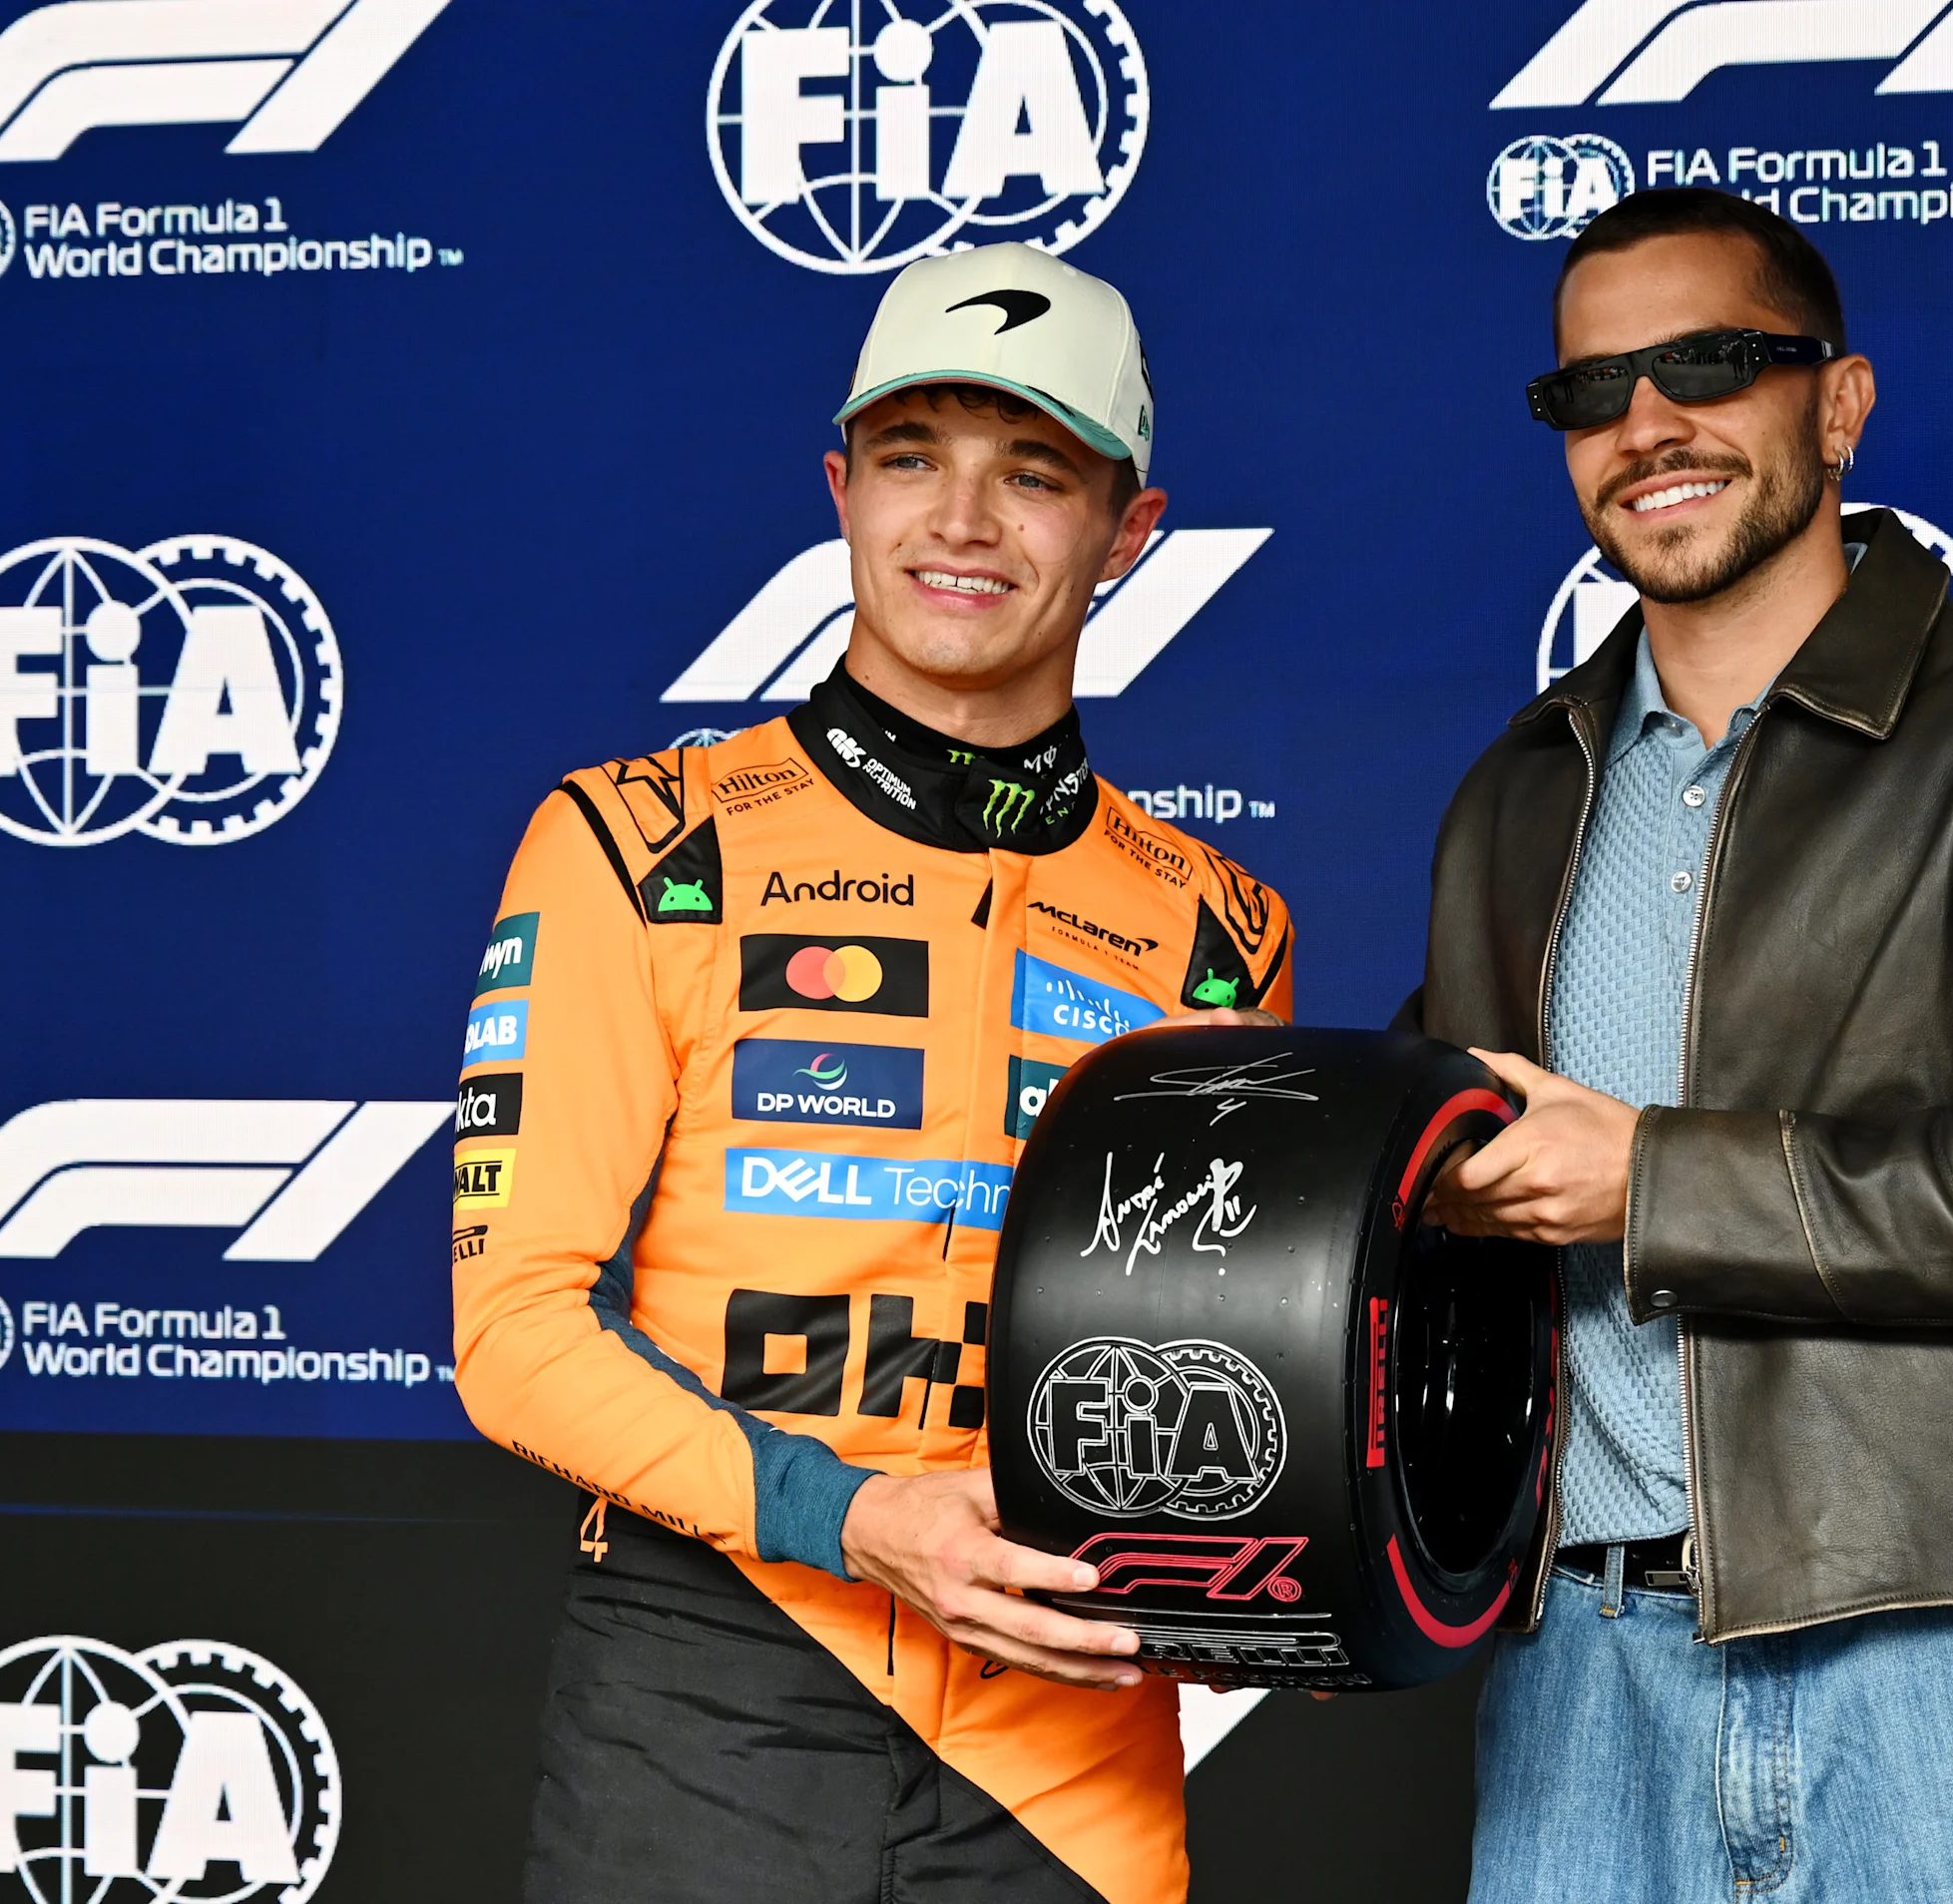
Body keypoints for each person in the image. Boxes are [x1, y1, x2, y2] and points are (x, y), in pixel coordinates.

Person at [1411, 188, 1953, 1902]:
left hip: (1947, 1651)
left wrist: (1653, 1178)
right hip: (1579, 1669)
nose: (1649, 427)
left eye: (1713, 363)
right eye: (1593, 391)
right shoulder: (1519, 789)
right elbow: (1443, 1176)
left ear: (1839, 403)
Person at [453, 242, 1294, 1904]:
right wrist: (850, 1515)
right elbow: (515, 1337)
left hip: (1068, 1742)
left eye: (1033, 472)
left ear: (1130, 532)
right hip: (713, 1685)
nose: (963, 523)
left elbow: (1214, 1360)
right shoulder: (639, 842)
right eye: (914, 457)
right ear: (841, 489)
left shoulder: (1217, 924)